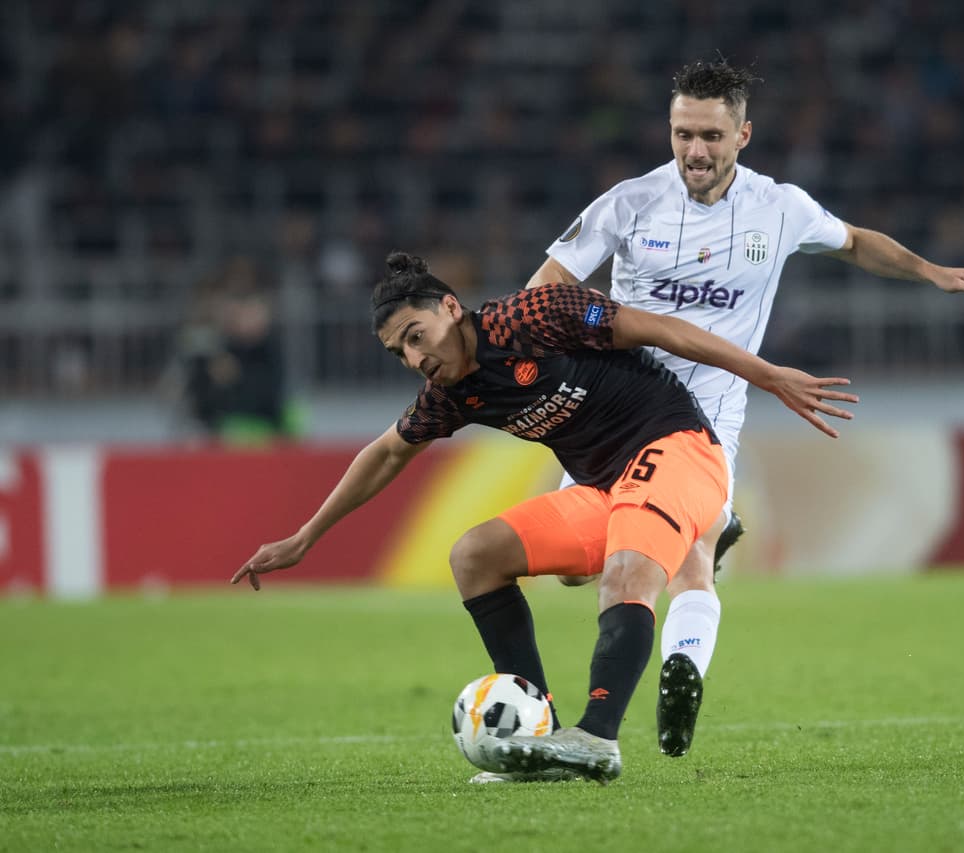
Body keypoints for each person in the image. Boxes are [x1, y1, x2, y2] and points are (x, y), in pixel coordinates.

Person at [231, 252, 856, 784]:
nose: (413, 357)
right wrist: (305, 537)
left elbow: (661, 330)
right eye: (399, 351)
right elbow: (389, 450)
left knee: (626, 572)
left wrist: (768, 375)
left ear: (451, 307)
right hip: (602, 485)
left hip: (676, 448)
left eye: (415, 335)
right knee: (473, 556)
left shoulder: (534, 315)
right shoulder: (452, 392)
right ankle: (544, 737)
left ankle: (598, 738)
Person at [525, 57, 964, 757]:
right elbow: (546, 286)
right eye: (683, 132)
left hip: (704, 417)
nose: (695, 150)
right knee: (573, 567)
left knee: (689, 557)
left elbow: (857, 242)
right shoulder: (627, 204)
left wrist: (932, 272)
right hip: (615, 410)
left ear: (744, 135)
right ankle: (709, 551)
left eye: (712, 136)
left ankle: (679, 666)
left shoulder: (779, 207)